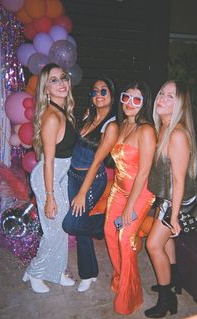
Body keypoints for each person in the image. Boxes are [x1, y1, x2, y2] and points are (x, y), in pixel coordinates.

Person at [145, 80, 197, 318]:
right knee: (165, 242)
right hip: (166, 195)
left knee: (153, 244)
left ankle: (166, 300)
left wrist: (174, 216)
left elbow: (178, 180)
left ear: (180, 105)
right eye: (161, 93)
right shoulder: (163, 127)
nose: (161, 99)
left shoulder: (177, 134)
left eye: (170, 97)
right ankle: (173, 279)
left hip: (176, 198)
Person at [22, 63, 78, 293]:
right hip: (48, 178)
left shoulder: (63, 112)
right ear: (46, 89)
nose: (61, 83)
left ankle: (55, 271)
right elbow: (47, 161)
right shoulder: (52, 117)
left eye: (63, 78)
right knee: (55, 230)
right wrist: (50, 197)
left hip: (59, 176)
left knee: (61, 228)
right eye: (54, 80)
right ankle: (36, 272)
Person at [62, 77, 119, 292]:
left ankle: (104, 226)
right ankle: (89, 273)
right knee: (79, 228)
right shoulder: (88, 116)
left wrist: (82, 192)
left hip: (92, 180)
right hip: (73, 176)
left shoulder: (111, 126)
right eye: (95, 91)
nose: (98, 95)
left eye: (104, 91)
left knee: (71, 224)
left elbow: (97, 162)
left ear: (112, 96)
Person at [104, 80, 156, 315]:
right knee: (108, 232)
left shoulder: (146, 130)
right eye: (126, 97)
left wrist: (130, 207)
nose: (130, 103)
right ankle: (119, 276)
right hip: (119, 188)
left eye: (136, 99)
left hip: (141, 192)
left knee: (126, 238)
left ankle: (130, 293)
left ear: (144, 104)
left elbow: (144, 172)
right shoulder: (122, 125)